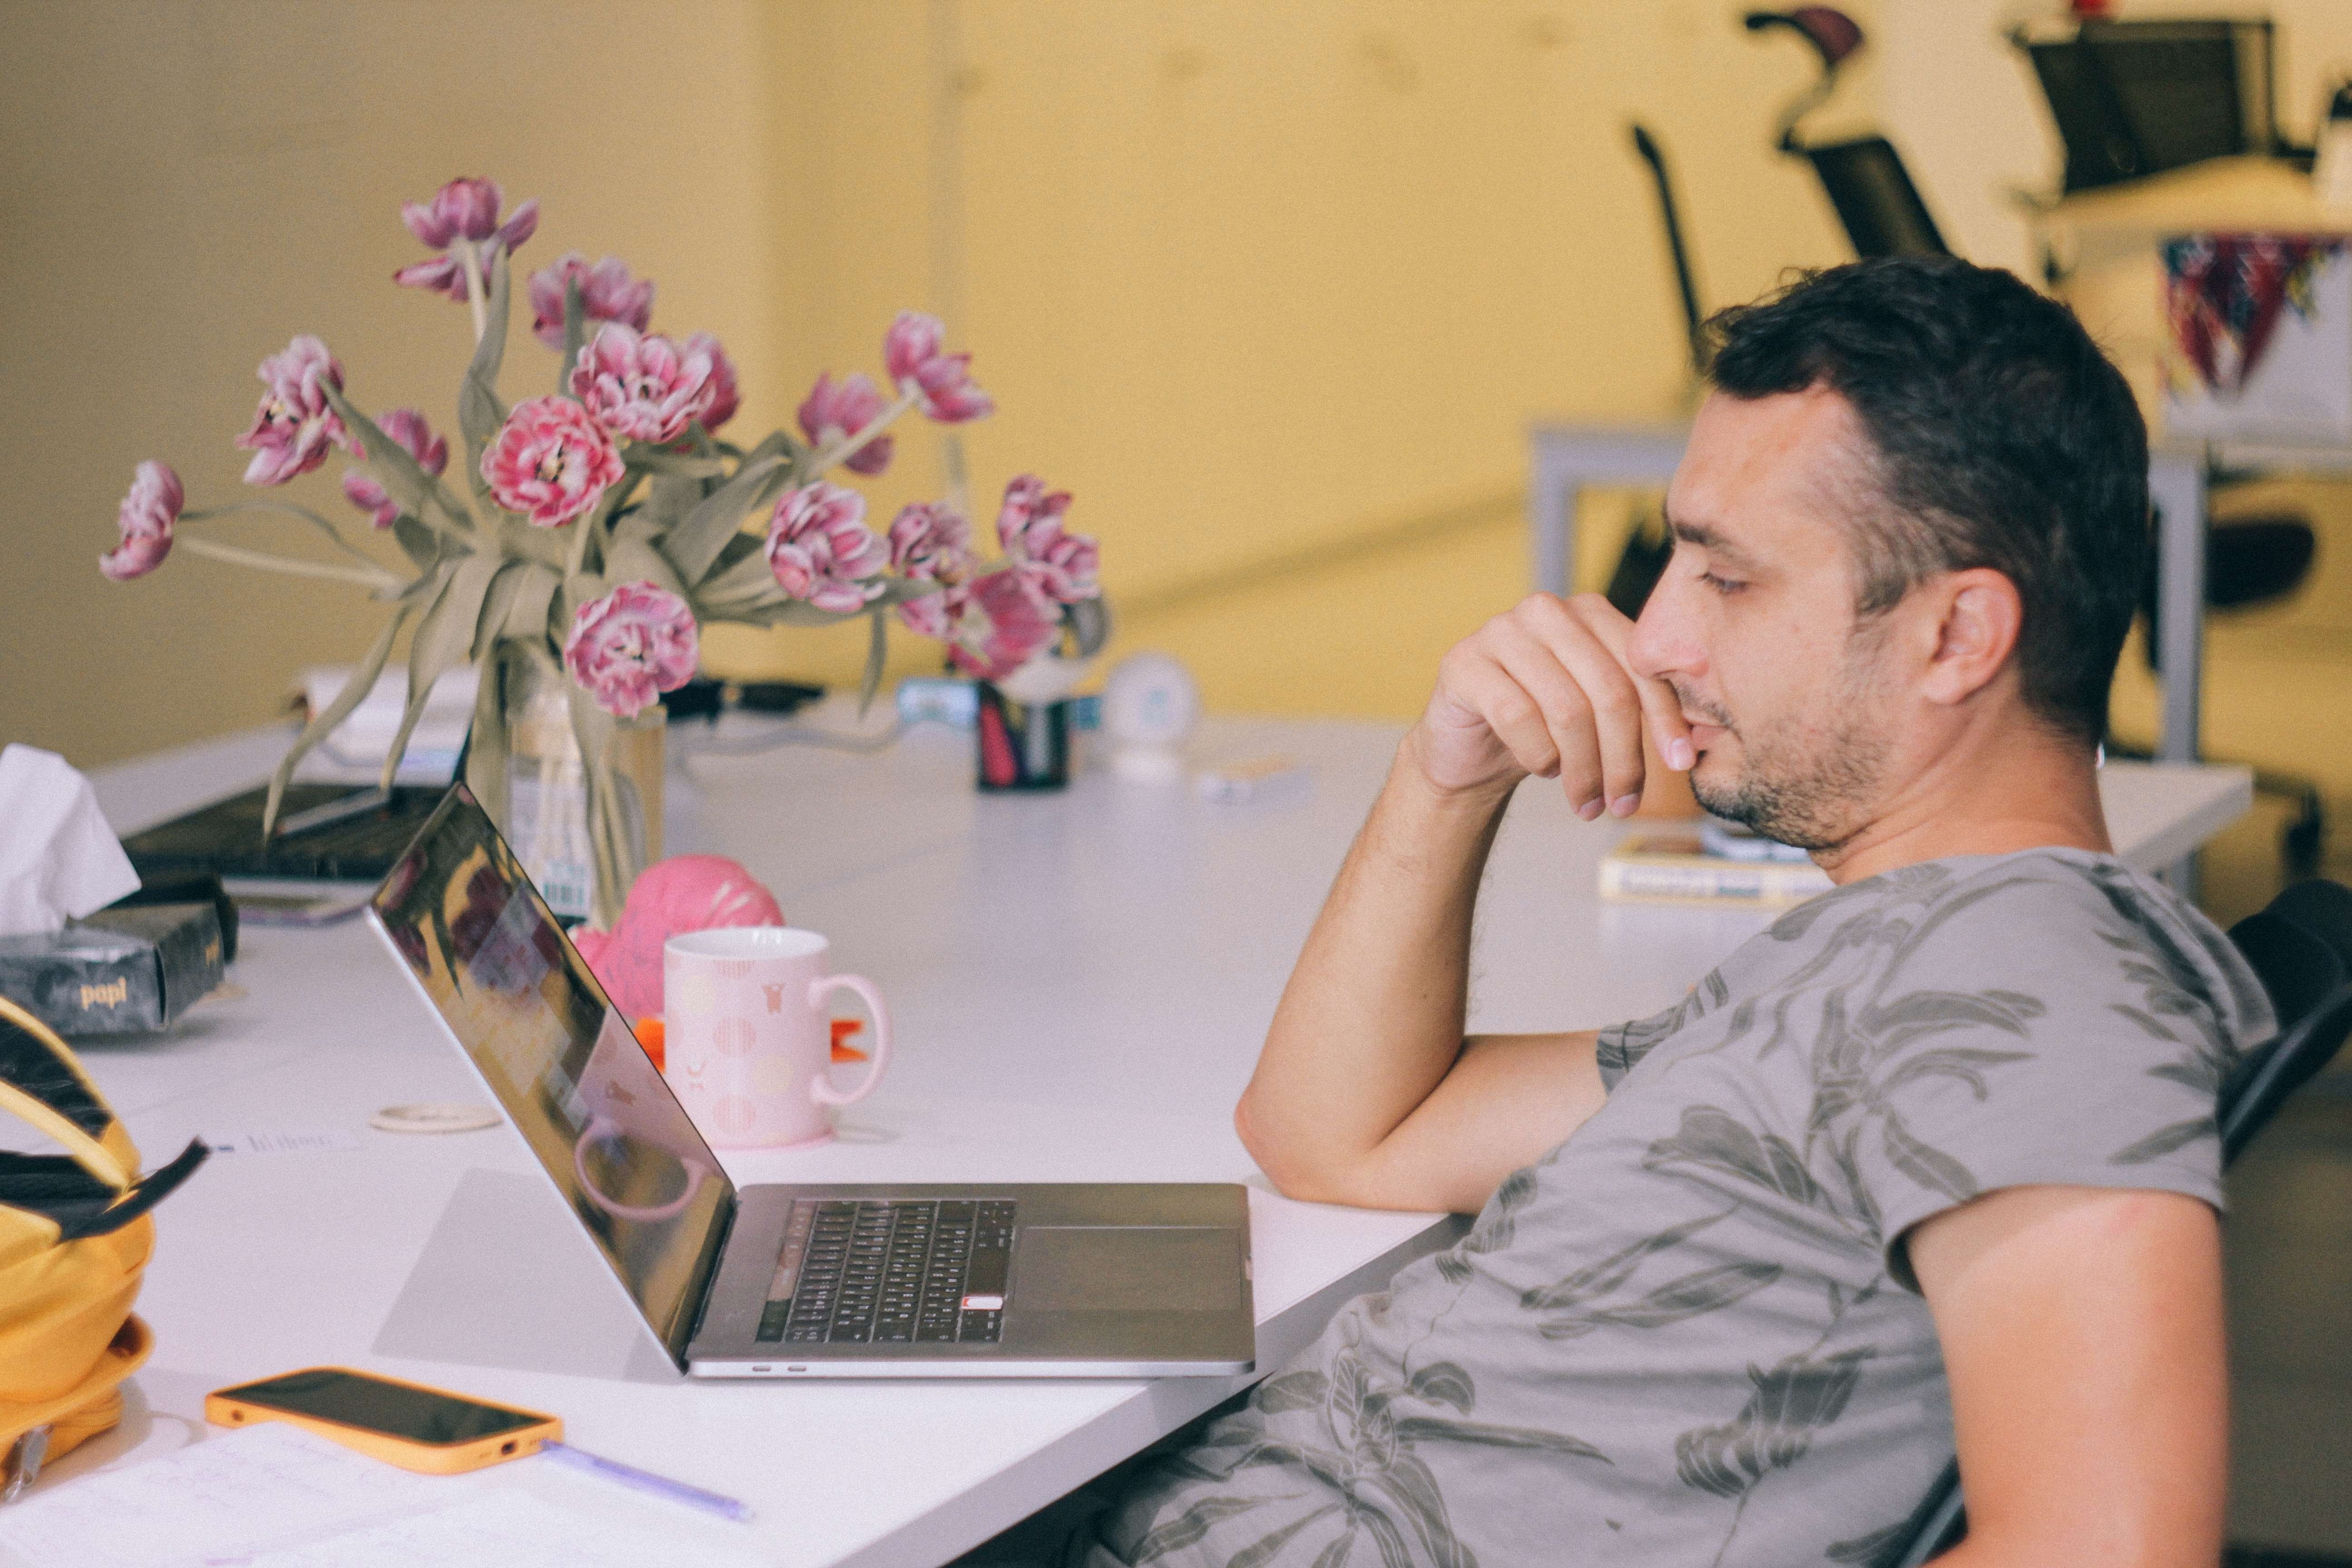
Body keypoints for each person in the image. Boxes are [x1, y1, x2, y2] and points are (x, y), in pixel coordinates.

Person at [1063, 257, 2276, 1567]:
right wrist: (1447, 774)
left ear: (1957, 639)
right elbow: (1336, 1137)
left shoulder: (2038, 997)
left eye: (1728, 580)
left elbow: (2112, 1552)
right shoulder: (1883, 961)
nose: (1654, 639)